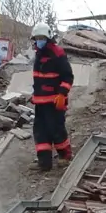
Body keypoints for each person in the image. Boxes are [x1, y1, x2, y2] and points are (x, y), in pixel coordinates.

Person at [29, 23, 74, 170]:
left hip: (55, 101)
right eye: (37, 38)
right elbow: (39, 78)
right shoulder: (38, 54)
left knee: (57, 130)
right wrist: (34, 95)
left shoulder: (58, 53)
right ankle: (44, 163)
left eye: (41, 38)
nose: (39, 41)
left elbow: (68, 76)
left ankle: (65, 156)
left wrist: (62, 94)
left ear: (48, 38)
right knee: (41, 132)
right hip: (40, 102)